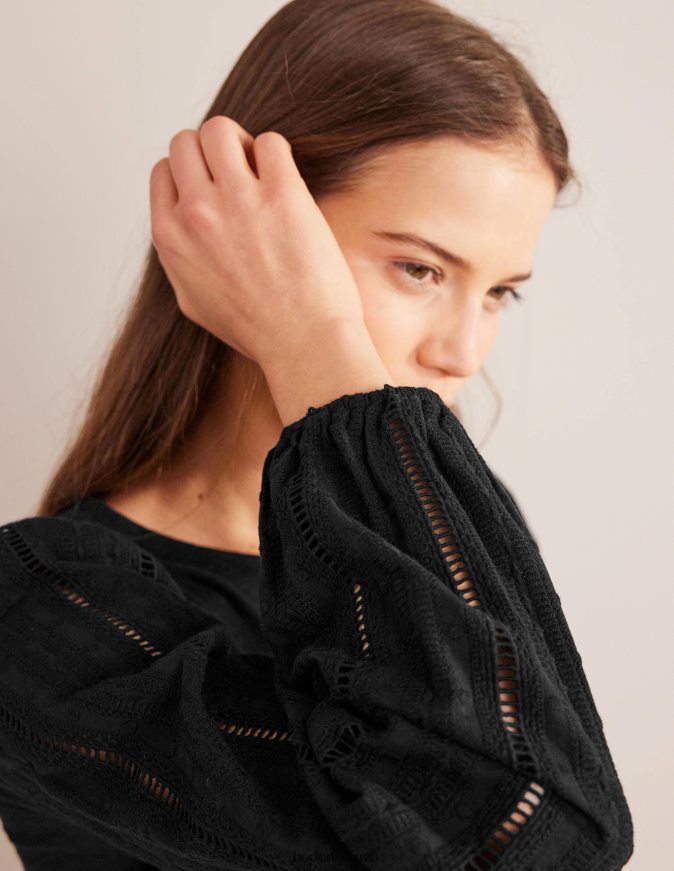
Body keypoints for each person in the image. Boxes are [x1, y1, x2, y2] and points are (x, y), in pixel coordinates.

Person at [0, 1, 634, 869]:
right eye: (420, 268)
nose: (464, 350)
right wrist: (313, 338)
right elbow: (525, 840)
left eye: (499, 293)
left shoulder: (445, 534)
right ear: (243, 236)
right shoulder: (37, 611)